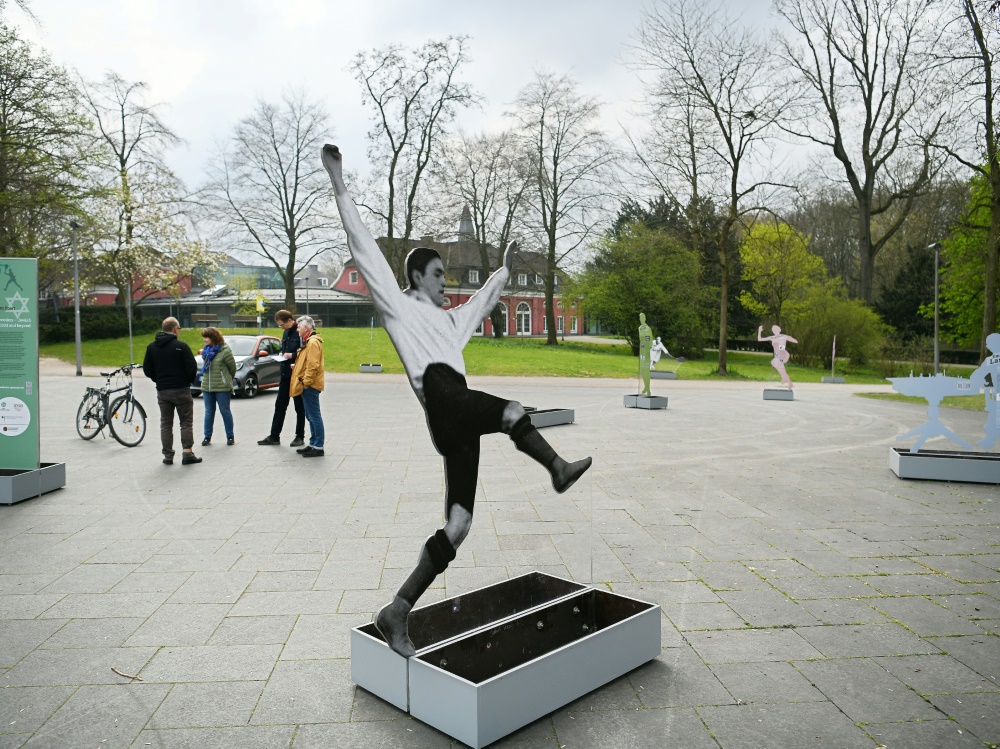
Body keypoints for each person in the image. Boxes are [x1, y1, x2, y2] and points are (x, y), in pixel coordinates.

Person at [323, 143, 591, 658]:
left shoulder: (450, 322)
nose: (449, 282)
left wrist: (505, 271)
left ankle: (397, 609)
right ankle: (556, 469)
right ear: (418, 278)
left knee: (459, 525)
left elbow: (483, 301)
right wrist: (338, 179)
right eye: (441, 274)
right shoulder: (399, 310)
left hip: (460, 417)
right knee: (512, 410)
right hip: (444, 403)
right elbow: (363, 249)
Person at [142, 317, 201, 465]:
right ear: (175, 329)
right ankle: (187, 453)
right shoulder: (181, 346)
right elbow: (191, 367)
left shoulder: (151, 347)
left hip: (163, 391)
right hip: (181, 390)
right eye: (179, 328)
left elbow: (147, 369)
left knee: (166, 423)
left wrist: (159, 380)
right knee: (186, 422)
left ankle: (168, 456)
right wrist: (187, 381)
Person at [258, 310, 306, 447]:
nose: (281, 327)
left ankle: (299, 436)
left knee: (299, 407)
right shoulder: (286, 332)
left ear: (290, 320)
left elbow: (304, 353)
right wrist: (281, 353)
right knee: (280, 405)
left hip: (296, 375)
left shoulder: (300, 332)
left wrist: (291, 355)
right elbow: (285, 348)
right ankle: (274, 436)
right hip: (285, 374)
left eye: (282, 324)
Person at [289, 315, 325, 457]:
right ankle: (313, 443)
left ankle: (319, 446)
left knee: (314, 416)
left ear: (305, 328)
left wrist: (306, 383)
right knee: (310, 416)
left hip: (310, 385)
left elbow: (313, 365)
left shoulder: (312, 343)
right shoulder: (310, 342)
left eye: (298, 327)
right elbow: (307, 363)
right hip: (308, 384)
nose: (297, 330)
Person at [199, 327, 237, 446]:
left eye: (207, 337)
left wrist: (226, 379)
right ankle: (207, 437)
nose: (204, 340)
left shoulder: (225, 350)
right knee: (209, 412)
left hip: (222, 387)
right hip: (207, 386)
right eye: (204, 337)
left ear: (213, 337)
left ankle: (230, 436)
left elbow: (232, 368)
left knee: (225, 411)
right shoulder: (206, 351)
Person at [970, 332, 1000, 450]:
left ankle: (989, 440)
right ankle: (989, 439)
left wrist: (983, 383)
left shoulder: (991, 360)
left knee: (993, 417)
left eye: (988, 344)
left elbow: (976, 376)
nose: (986, 346)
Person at [758, 324, 798, 389]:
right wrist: (759, 331)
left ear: (779, 330)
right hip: (777, 355)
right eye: (773, 330)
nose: (774, 331)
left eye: (775, 329)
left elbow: (796, 341)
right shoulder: (772, 337)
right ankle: (787, 380)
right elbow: (759, 339)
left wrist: (789, 338)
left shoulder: (783, 336)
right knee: (776, 364)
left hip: (782, 354)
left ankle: (786, 379)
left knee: (779, 365)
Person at [638, 313, 652, 395]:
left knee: (646, 370)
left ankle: (648, 388)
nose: (641, 319)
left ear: (645, 318)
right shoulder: (639, 328)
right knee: (643, 370)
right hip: (642, 352)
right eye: (640, 318)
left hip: (646, 352)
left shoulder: (647, 328)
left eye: (642, 317)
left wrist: (647, 349)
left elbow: (649, 340)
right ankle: (646, 387)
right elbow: (641, 340)